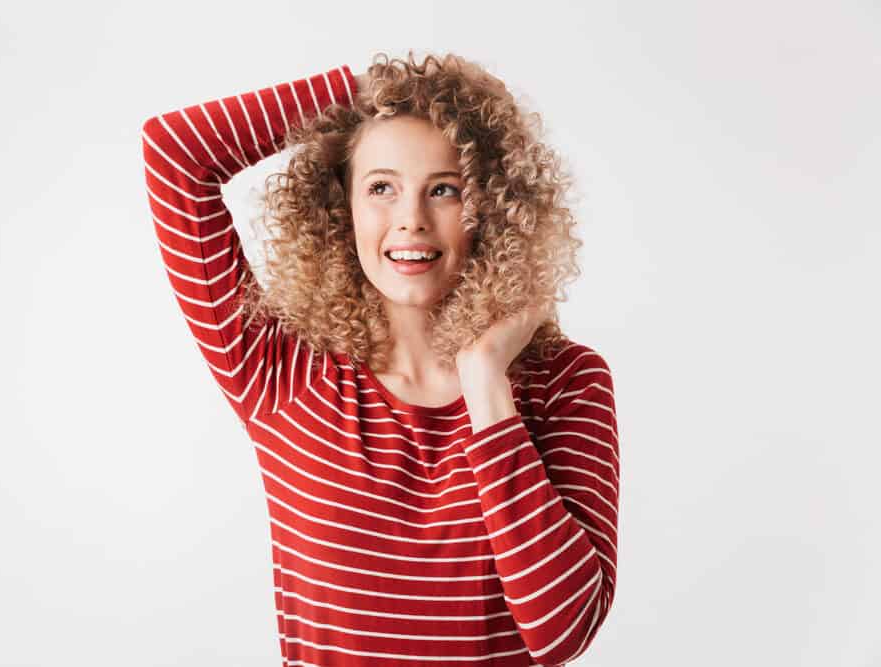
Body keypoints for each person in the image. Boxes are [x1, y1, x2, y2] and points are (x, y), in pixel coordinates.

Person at [140, 50, 619, 666]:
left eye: (443, 190)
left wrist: (485, 382)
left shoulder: (567, 381)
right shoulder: (279, 369)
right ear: (342, 207)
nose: (411, 221)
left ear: (492, 212)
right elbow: (174, 152)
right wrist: (373, 90)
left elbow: (562, 634)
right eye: (382, 188)